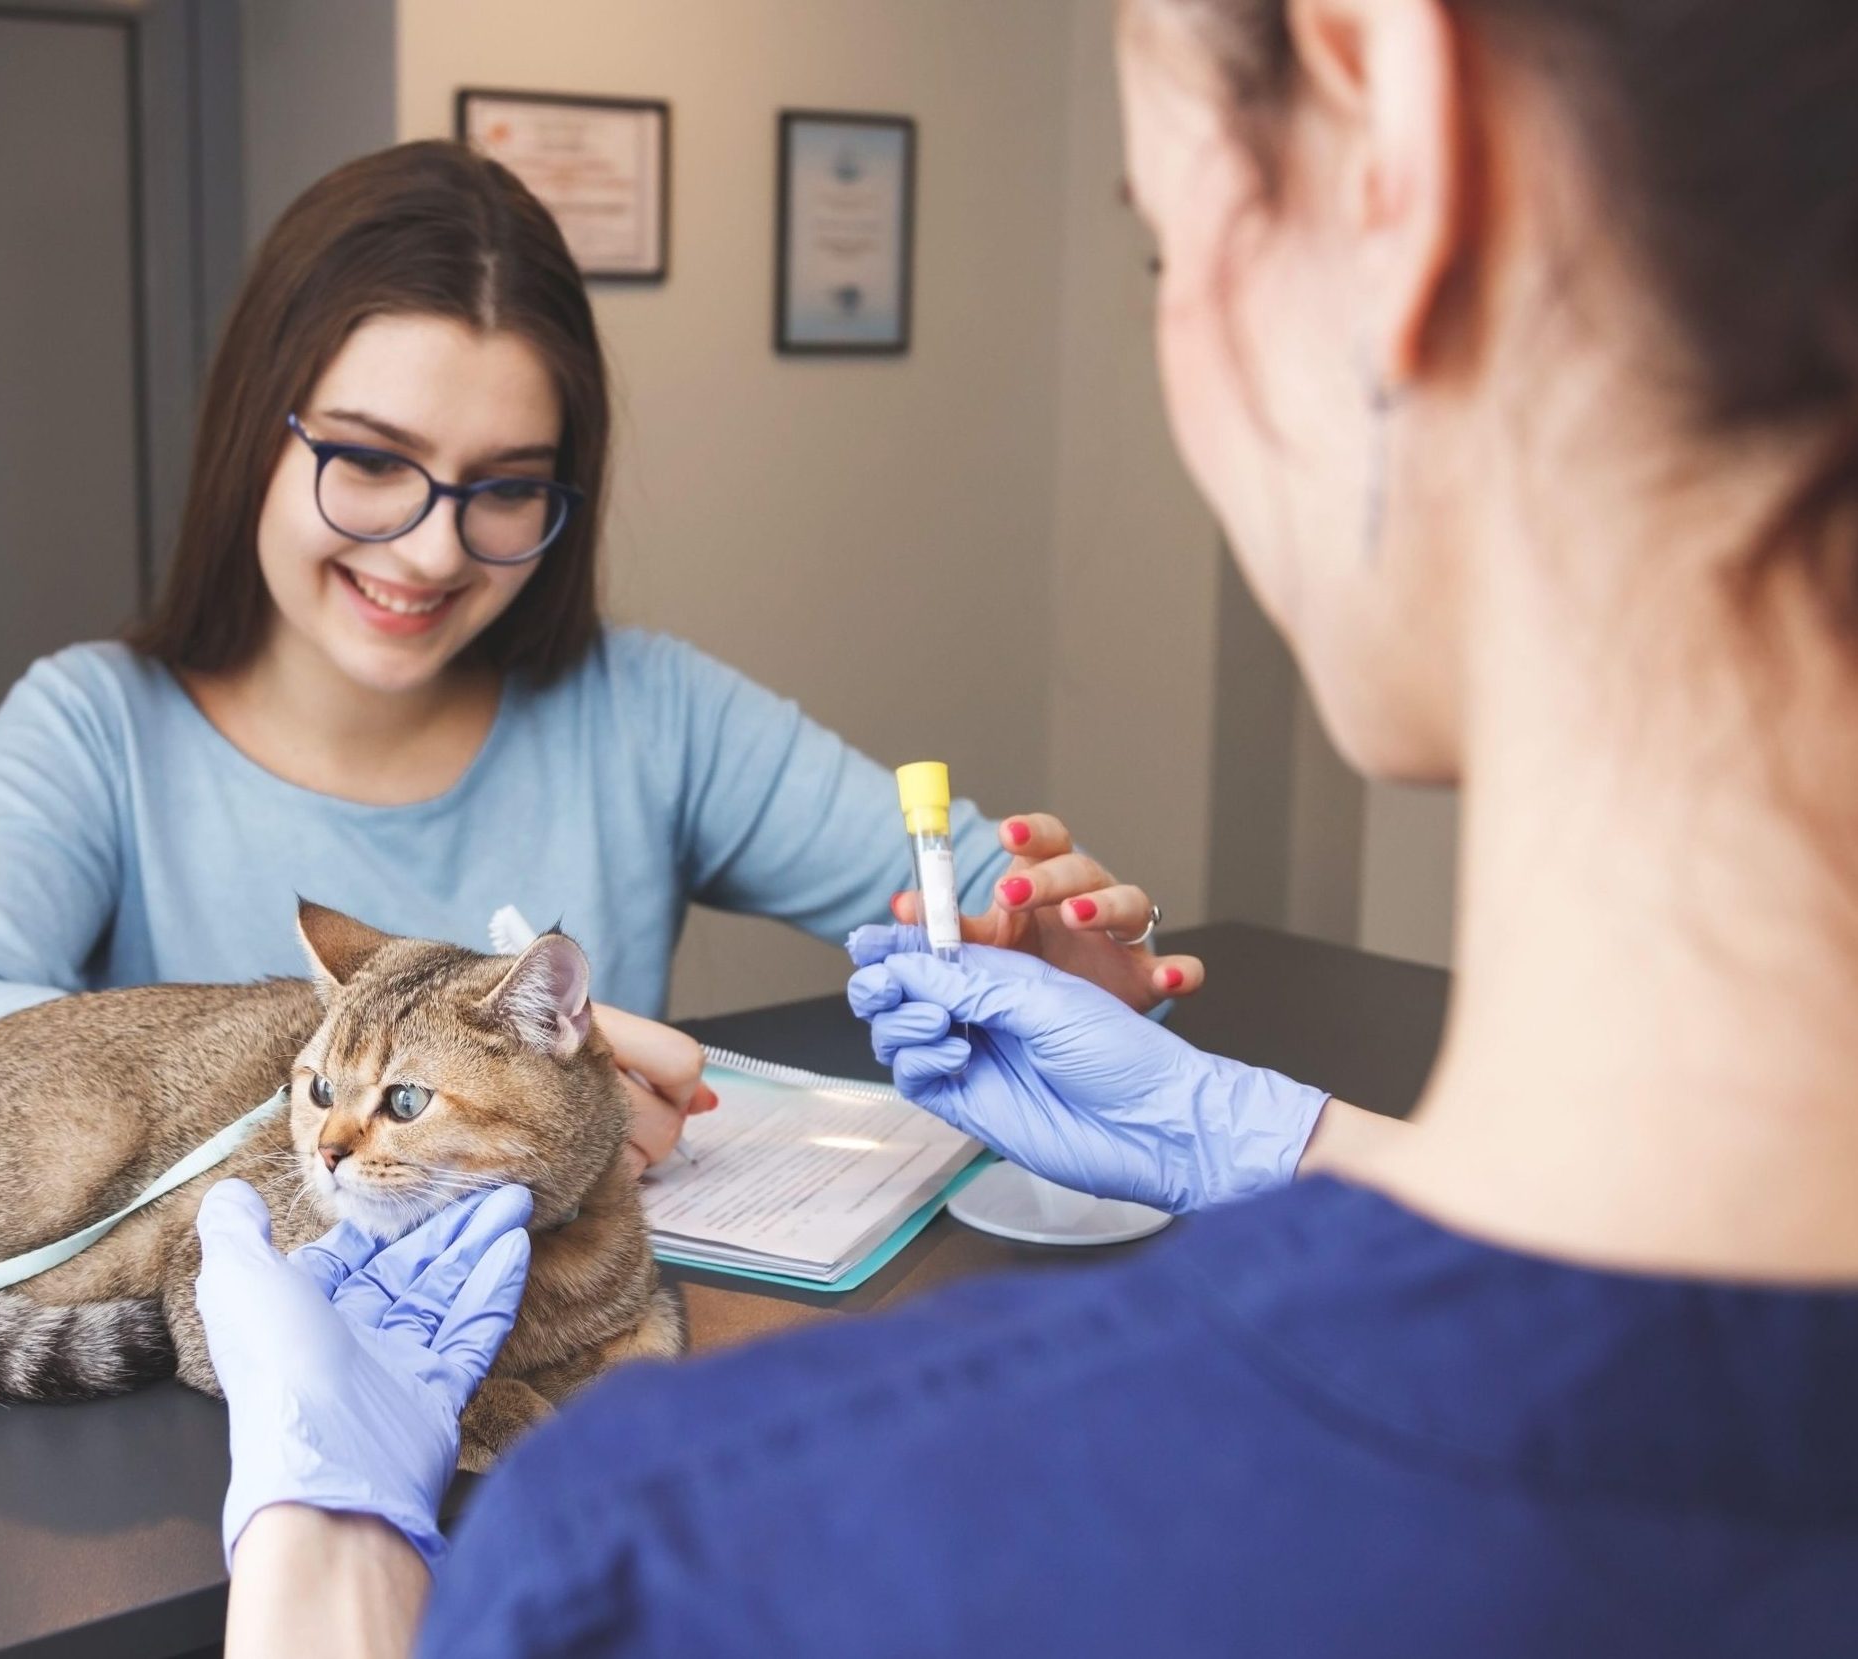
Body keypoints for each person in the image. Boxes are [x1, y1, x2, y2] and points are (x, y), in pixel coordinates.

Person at [193, 0, 1858, 1652]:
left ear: (1392, 154)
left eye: (1158, 248)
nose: (428, 544)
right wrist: (1260, 1134)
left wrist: (327, 1566)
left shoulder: (670, 1558)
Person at [0, 140, 1196, 1172]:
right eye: (372, 462)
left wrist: (1045, 971)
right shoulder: (95, 729)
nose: (434, 553)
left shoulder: (647, 709)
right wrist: (483, 1095)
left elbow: (954, 894)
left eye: (505, 488)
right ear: (252, 438)